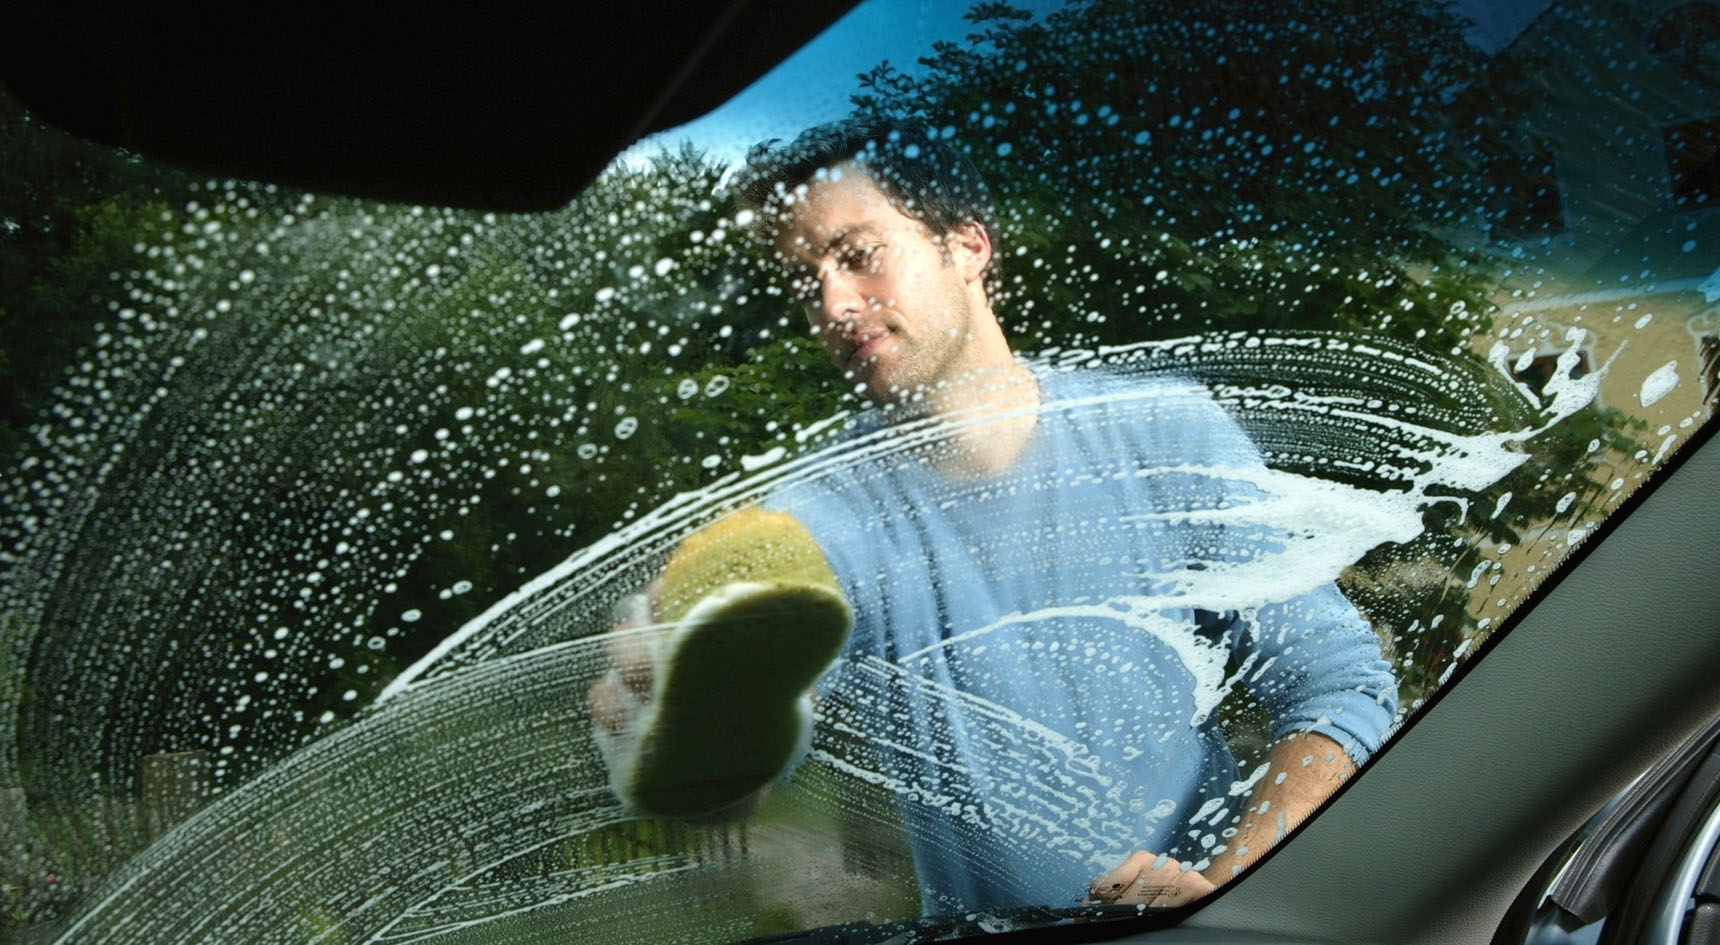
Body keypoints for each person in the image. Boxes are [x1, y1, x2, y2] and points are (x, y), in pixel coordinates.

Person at [587, 116, 1397, 915]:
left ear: (968, 246)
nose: (833, 304)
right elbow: (761, 740)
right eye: (808, 282)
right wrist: (691, 746)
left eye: (859, 256)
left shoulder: (1164, 434)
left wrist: (1221, 893)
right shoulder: (817, 518)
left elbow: (1338, 686)